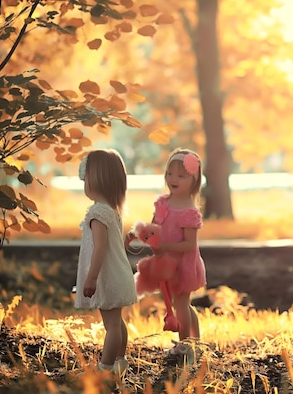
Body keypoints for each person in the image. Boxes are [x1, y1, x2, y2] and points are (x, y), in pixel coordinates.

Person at [74, 149, 137, 375]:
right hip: (119, 274)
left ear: (95, 179)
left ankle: (105, 368)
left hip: (107, 278)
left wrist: (91, 278)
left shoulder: (98, 213)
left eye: (86, 177)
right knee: (117, 323)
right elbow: (111, 246)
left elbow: (100, 248)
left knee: (111, 326)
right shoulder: (112, 211)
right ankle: (120, 361)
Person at [149, 147, 206, 355]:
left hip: (184, 265)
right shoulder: (163, 202)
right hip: (168, 263)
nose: (174, 178)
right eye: (170, 173)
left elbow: (189, 245)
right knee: (183, 303)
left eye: (181, 176)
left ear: (194, 180)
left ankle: (185, 346)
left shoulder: (189, 211)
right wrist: (146, 235)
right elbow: (154, 225)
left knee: (182, 303)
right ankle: (195, 342)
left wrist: (165, 246)